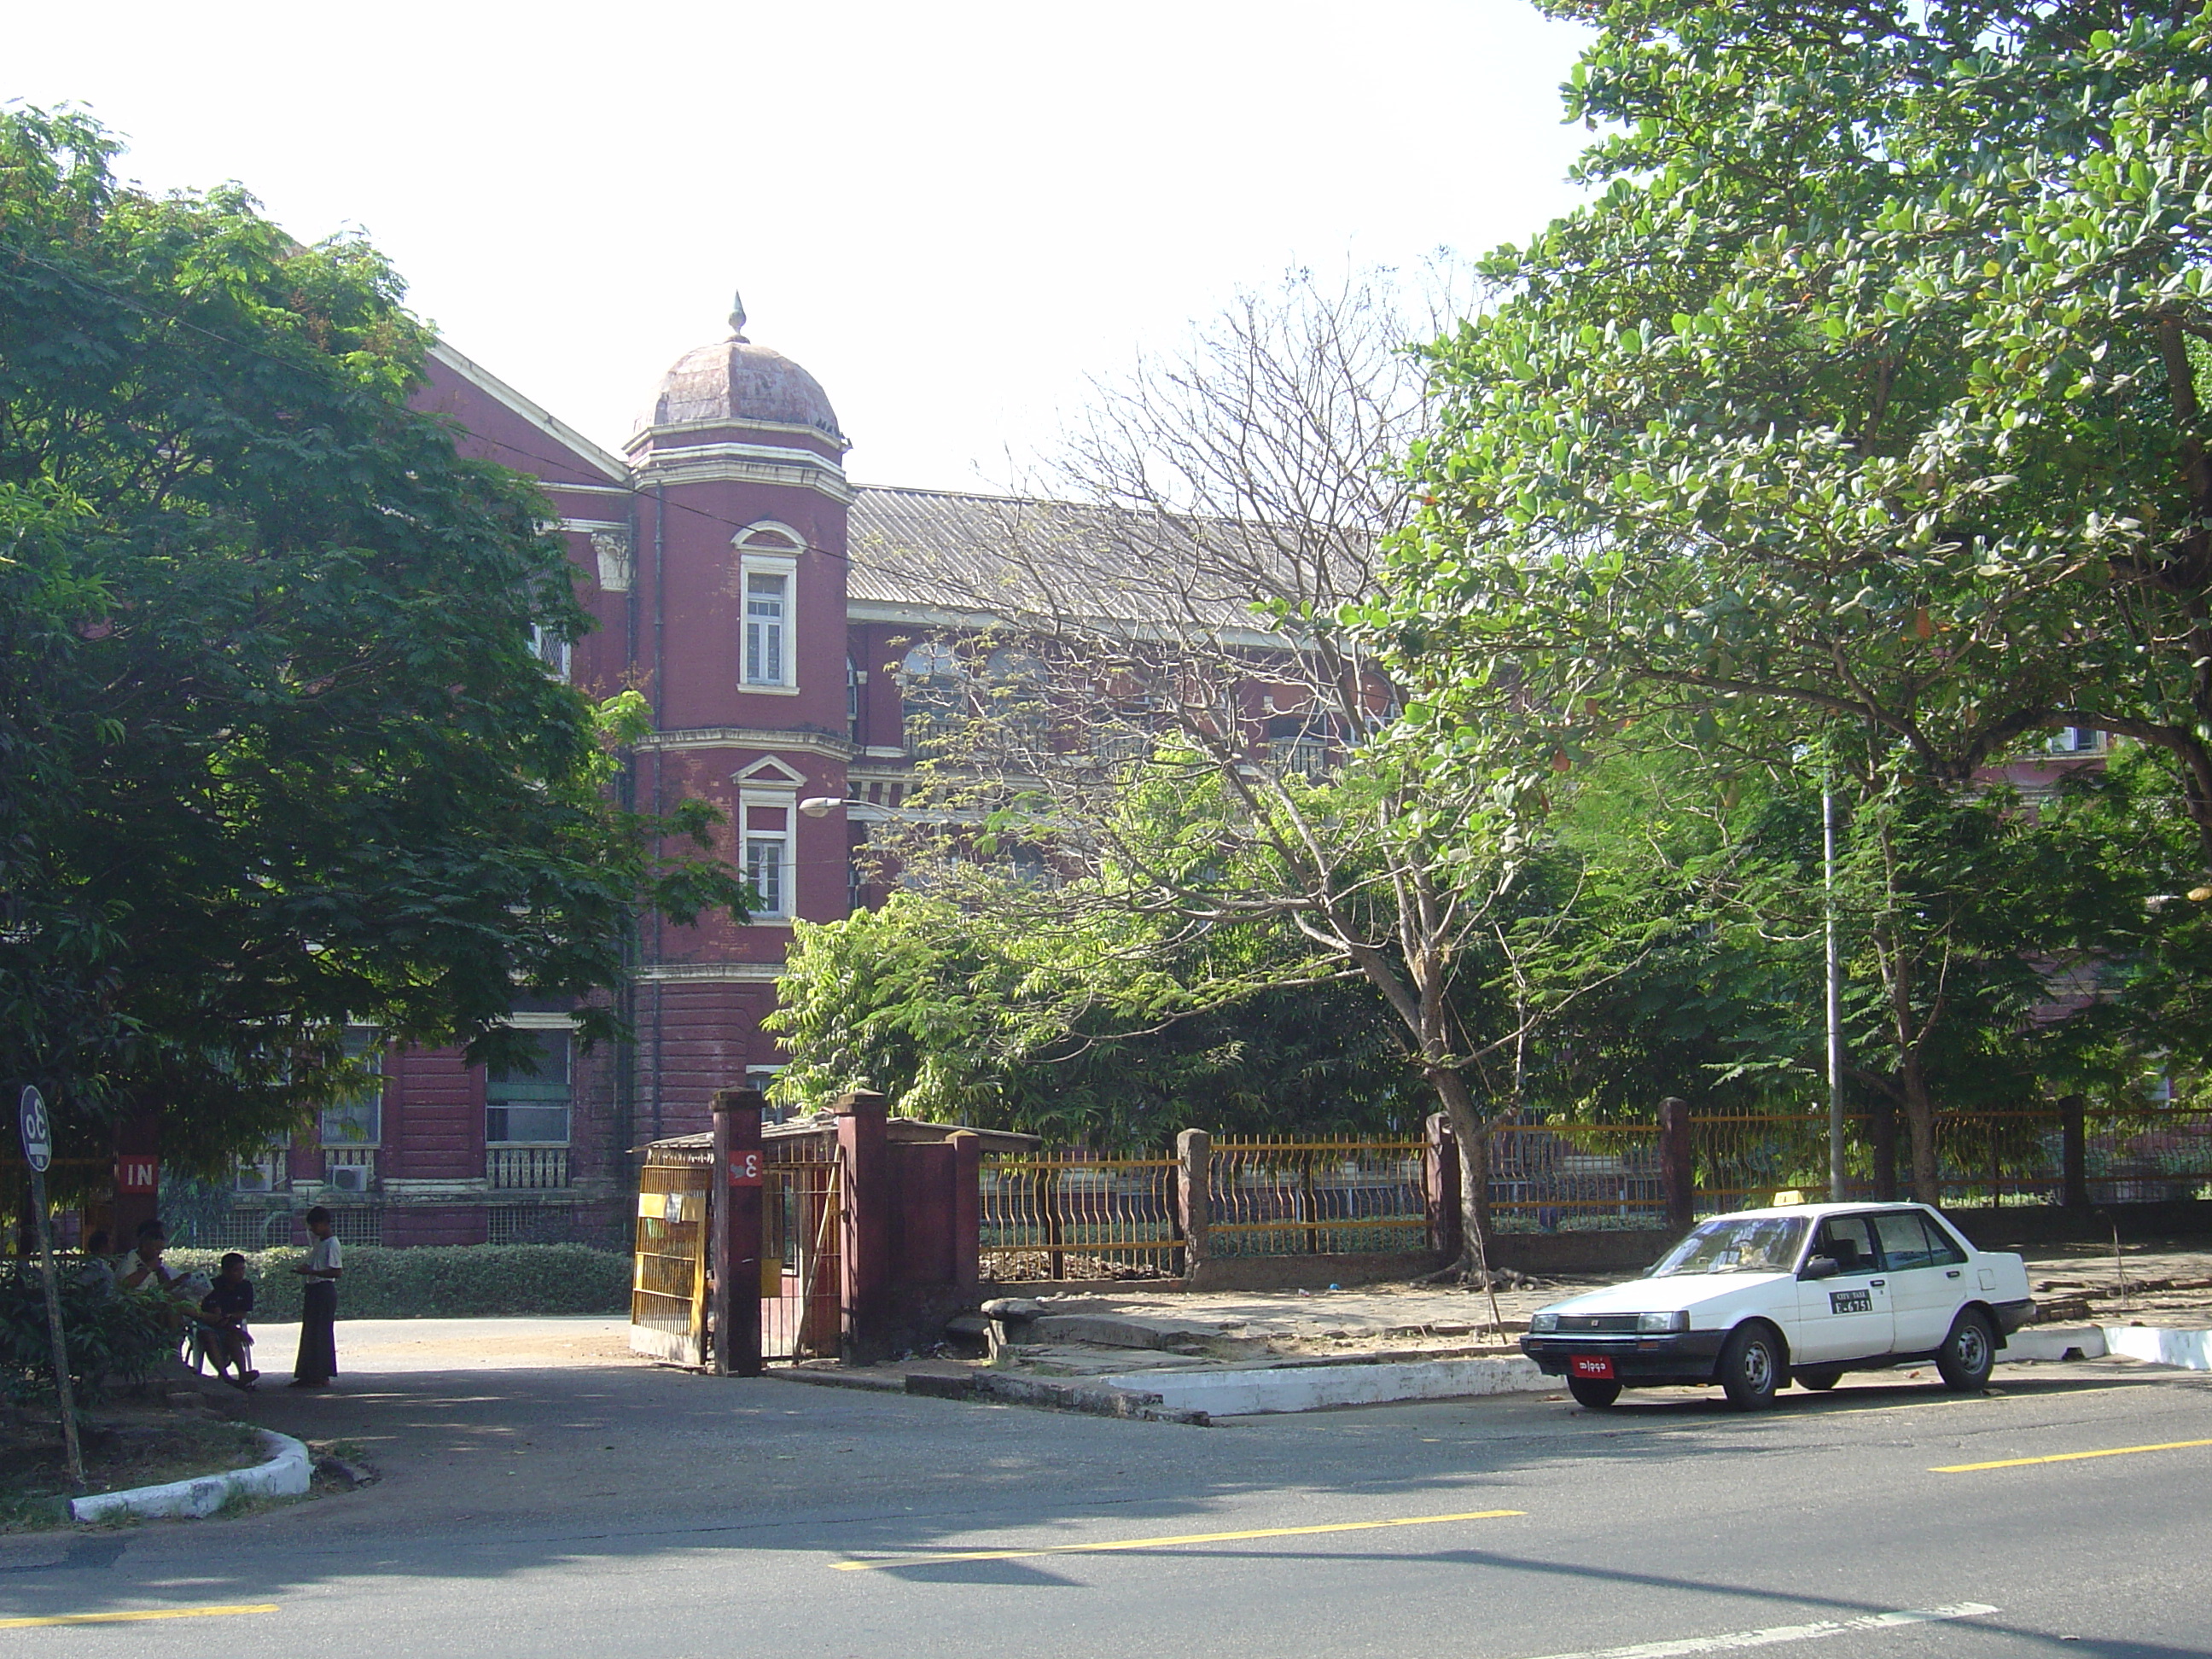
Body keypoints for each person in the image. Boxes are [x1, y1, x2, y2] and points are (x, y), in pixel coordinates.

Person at [291, 1207, 342, 1388]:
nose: (312, 1230)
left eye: (314, 1226)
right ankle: (308, 1373)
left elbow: (336, 1272)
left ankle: (321, 1374)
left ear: (323, 1224)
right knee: (310, 1333)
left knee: (321, 1333)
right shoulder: (320, 1243)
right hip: (314, 1288)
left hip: (324, 1290)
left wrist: (311, 1271)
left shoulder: (332, 1244)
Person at [200, 1252, 259, 1389]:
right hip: (211, 1324)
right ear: (225, 1271)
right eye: (236, 1270)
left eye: (243, 1269)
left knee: (233, 1338)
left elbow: (243, 1312)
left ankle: (242, 1373)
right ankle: (225, 1376)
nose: (240, 1274)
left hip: (230, 1323)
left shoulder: (246, 1287)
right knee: (209, 1336)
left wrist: (232, 1319)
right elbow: (215, 1316)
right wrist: (233, 1326)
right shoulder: (213, 1287)